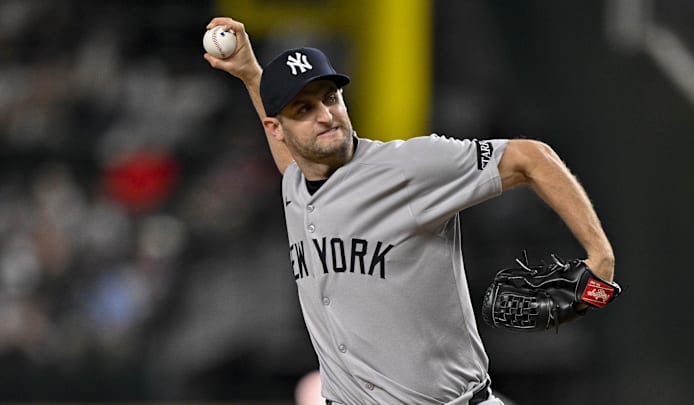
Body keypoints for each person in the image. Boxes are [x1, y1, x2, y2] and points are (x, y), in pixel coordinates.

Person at [204, 17, 616, 405]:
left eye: (329, 98)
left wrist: (601, 256)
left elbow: (532, 157)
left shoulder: (408, 167)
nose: (326, 116)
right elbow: (291, 156)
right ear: (278, 128)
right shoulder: (295, 183)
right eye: (303, 110)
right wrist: (251, 74)